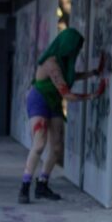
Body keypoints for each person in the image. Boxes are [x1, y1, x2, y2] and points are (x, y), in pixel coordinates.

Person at [20, 28, 106, 204]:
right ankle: (25, 186)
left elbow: (70, 77)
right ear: (67, 46)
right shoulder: (51, 63)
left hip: (54, 101)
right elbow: (66, 93)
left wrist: (92, 73)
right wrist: (91, 95)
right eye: (74, 47)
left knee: (57, 147)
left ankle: (42, 184)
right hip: (40, 100)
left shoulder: (65, 61)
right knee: (39, 144)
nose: (76, 51)